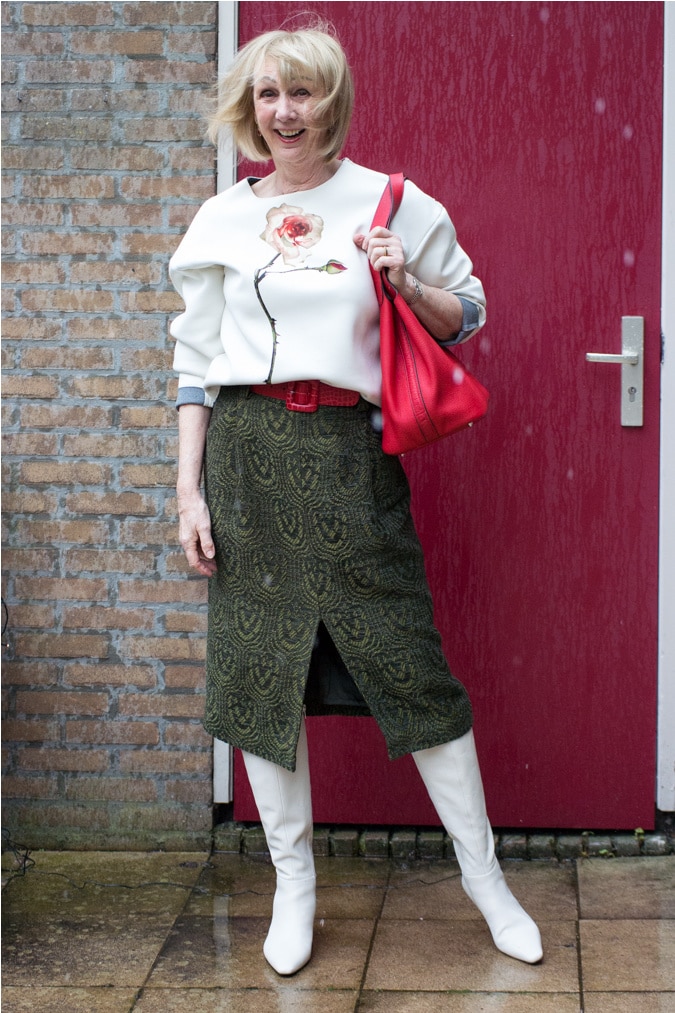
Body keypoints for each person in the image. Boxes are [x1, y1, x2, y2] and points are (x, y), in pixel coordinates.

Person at [170, 24, 543, 976]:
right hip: (246, 460)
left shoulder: (391, 200)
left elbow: (469, 313)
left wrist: (404, 278)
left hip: (350, 455)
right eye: (267, 97)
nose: (284, 113)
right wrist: (187, 493)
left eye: (302, 94)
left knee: (408, 667)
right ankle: (292, 890)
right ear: (248, 108)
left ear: (331, 101)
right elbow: (194, 365)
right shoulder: (222, 218)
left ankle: (485, 880)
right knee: (260, 678)